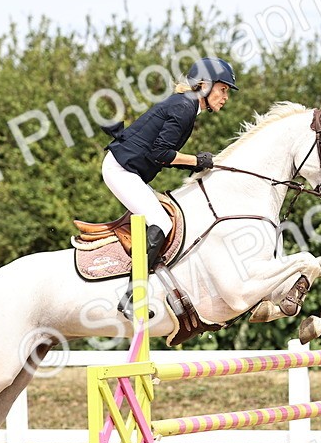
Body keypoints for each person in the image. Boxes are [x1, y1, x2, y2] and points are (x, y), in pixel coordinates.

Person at [102, 57, 237, 315]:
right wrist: (197, 161)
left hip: (127, 170)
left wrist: (197, 162)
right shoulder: (184, 108)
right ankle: (131, 299)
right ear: (205, 86)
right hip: (120, 170)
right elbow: (160, 154)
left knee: (166, 218)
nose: (225, 97)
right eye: (223, 89)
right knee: (161, 222)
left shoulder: (186, 106)